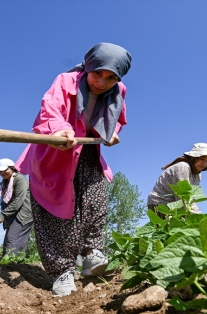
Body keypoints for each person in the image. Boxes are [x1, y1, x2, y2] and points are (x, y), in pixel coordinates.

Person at [15, 43, 132, 296]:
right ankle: (62, 271)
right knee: (54, 213)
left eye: (111, 77)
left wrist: (111, 134)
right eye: (97, 73)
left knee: (96, 198)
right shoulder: (66, 81)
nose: (102, 82)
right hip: (55, 151)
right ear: (88, 67)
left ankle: (92, 252)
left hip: (87, 151)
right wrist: (59, 129)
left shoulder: (119, 91)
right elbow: (50, 109)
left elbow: (118, 121)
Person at [147, 143, 207, 217]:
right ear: (193, 157)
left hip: (176, 205)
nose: (204, 163)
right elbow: (183, 195)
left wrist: (199, 215)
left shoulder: (197, 175)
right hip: (160, 204)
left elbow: (190, 199)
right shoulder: (183, 167)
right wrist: (200, 218)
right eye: (202, 159)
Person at [0, 158, 33, 256]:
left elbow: (19, 200)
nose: (2, 173)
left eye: (5, 170)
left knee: (12, 239)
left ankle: (10, 265)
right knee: (10, 243)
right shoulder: (5, 183)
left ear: (12, 168)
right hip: (12, 215)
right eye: (0, 171)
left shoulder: (20, 179)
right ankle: (18, 264)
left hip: (23, 214)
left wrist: (2, 215)